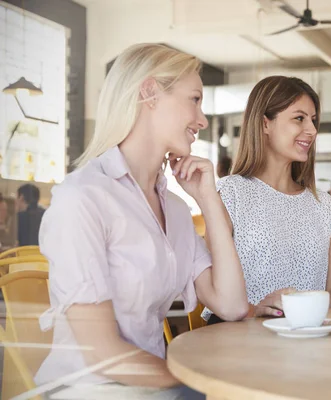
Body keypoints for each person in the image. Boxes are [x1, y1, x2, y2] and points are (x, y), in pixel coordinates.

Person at [35, 43, 248, 398]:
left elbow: (232, 304)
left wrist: (209, 201)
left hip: (153, 386)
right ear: (149, 93)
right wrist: (193, 380)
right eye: (194, 99)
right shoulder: (83, 198)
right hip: (89, 389)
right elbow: (102, 353)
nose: (203, 120)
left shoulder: (176, 211)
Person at [203, 76, 331, 324]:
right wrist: (254, 310)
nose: (311, 130)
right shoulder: (230, 193)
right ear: (265, 124)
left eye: (313, 120)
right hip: (239, 338)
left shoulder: (324, 205)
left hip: (307, 337)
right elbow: (210, 286)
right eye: (299, 118)